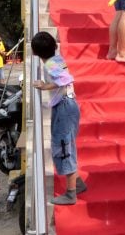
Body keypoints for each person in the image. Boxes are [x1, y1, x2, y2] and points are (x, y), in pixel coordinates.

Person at [31, 31, 87, 205]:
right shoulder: (57, 58)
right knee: (66, 143)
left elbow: (65, 79)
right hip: (68, 105)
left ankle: (71, 194)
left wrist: (45, 85)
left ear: (35, 52)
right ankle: (77, 183)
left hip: (64, 107)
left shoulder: (50, 64)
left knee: (64, 147)